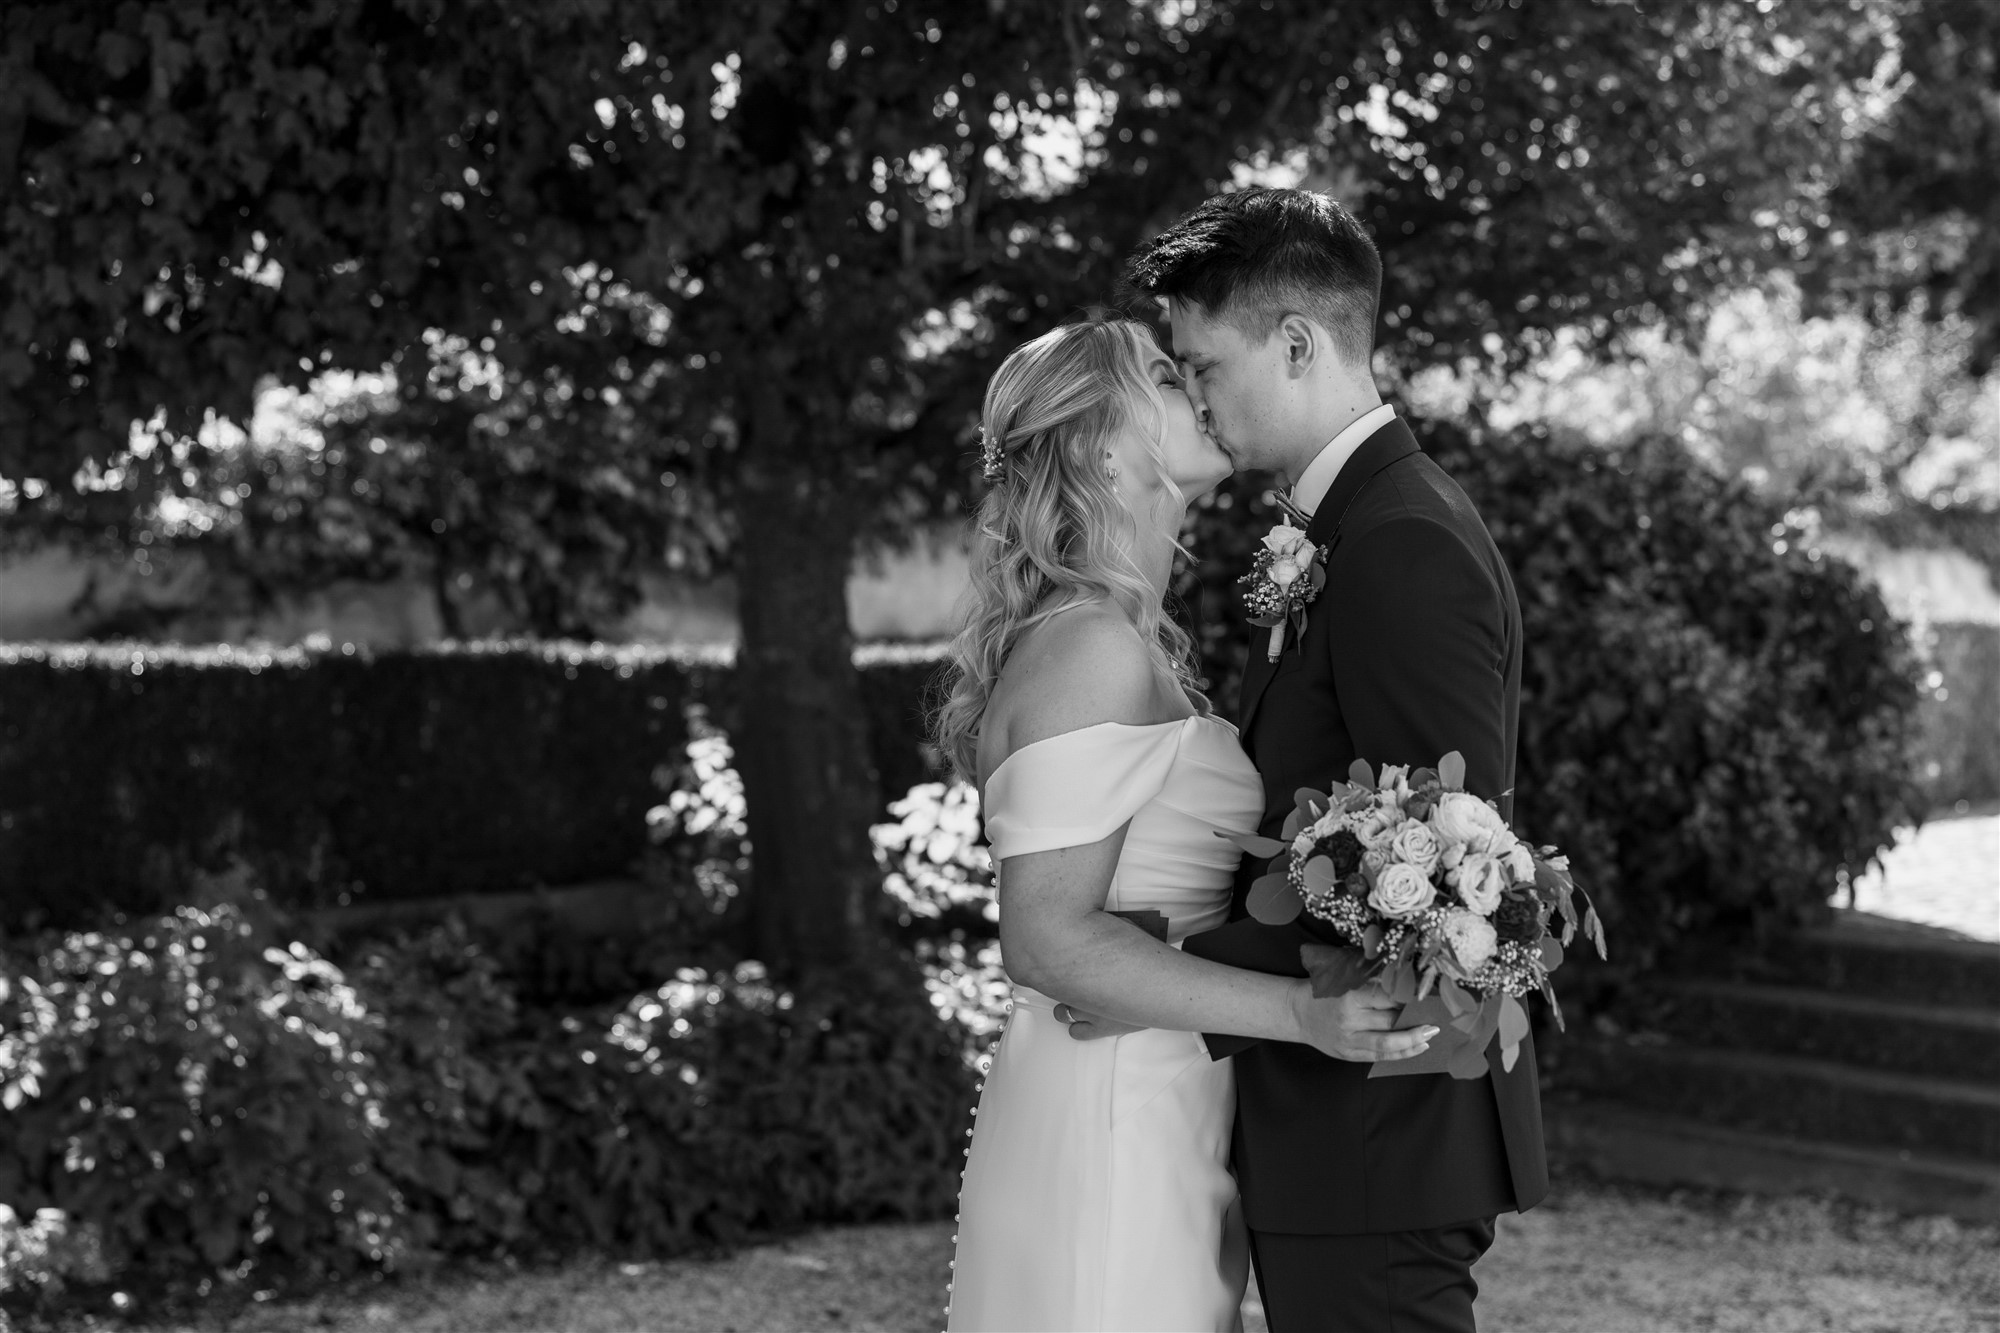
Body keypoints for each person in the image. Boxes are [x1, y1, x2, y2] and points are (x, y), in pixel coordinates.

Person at [1076, 185, 1551, 1333]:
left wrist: (1160, 971)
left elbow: (1433, 877)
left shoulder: (1399, 541)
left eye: (1202, 365)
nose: (1193, 397)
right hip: (1343, 1122)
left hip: (1378, 1122)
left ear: (1295, 343)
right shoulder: (1348, 526)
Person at [933, 315, 1439, 1333]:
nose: (1201, 387)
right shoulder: (1089, 648)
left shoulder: (1117, 637)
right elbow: (1045, 939)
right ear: (1100, 447)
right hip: (1110, 1113)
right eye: (1167, 376)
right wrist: (1299, 1011)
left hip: (1158, 1089)